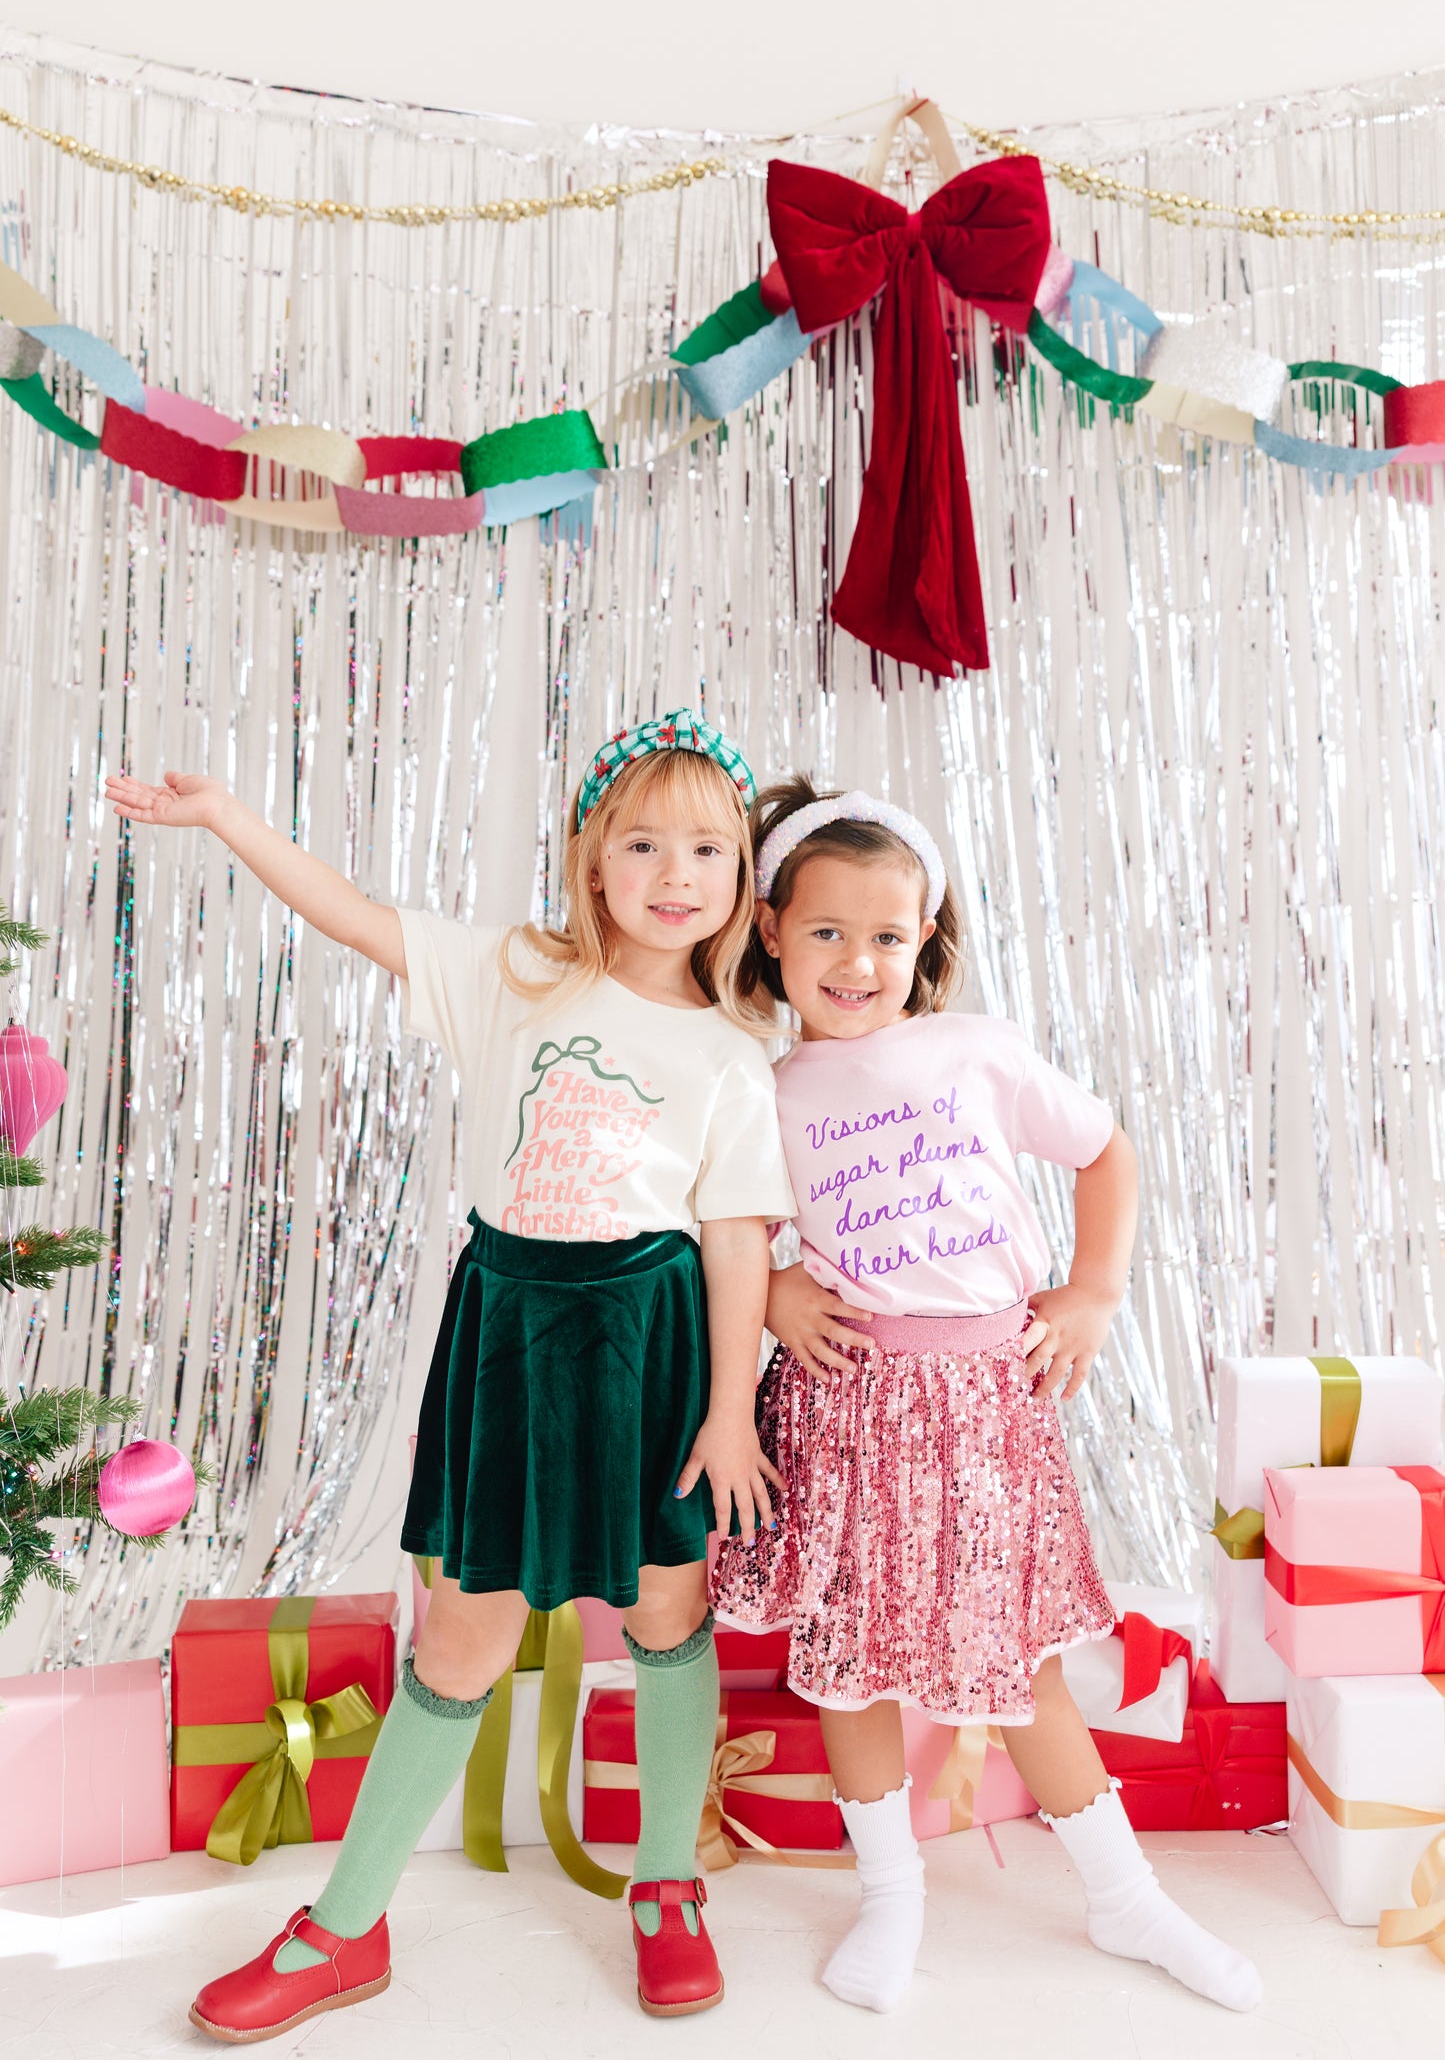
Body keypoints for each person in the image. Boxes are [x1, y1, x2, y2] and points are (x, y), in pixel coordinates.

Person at [105, 709, 794, 2041]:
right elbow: (355, 915)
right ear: (591, 860)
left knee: (666, 1610)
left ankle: (666, 1883)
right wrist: (230, 818)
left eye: (707, 849)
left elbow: (735, 1244)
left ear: (739, 877)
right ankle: (344, 1925)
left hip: (649, 1345)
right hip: (512, 1333)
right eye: (643, 843)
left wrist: (725, 1410)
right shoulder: (518, 972)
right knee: (465, 1631)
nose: (674, 873)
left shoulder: (730, 1051)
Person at [711, 777, 1262, 2016]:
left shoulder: (975, 1048)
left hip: (981, 1408)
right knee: (845, 1665)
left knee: (1013, 1661)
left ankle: (1122, 1895)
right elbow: (730, 1233)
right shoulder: (763, 1088)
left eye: (885, 935)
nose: (857, 961)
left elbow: (1105, 1149)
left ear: (922, 937)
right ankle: (889, 1889)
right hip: (843, 1405)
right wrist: (782, 1290)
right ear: (769, 928)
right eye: (826, 930)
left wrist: (1093, 1291)